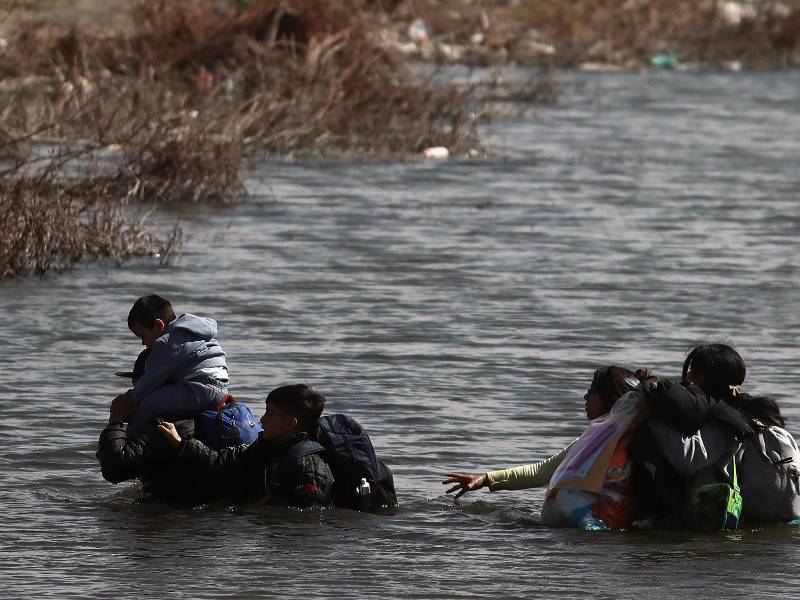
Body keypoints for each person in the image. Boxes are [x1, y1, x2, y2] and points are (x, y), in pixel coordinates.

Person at [444, 366, 653, 529]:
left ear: (611, 398)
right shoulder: (587, 444)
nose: (585, 397)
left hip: (599, 533)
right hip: (585, 532)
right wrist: (485, 479)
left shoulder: (635, 444)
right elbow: (543, 471)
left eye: (592, 391)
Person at [637, 343, 799, 526]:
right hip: (789, 515)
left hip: (753, 519)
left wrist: (653, 416)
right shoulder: (759, 414)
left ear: (699, 378)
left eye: (691, 373)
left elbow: (687, 458)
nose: (687, 379)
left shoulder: (725, 421)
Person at [158, 384, 334, 508]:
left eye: (269, 414)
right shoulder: (266, 447)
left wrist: (257, 508)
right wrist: (181, 443)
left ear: (290, 423)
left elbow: (308, 517)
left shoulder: (310, 465)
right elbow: (222, 462)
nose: (262, 419)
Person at [121, 294, 229, 435]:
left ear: (159, 325)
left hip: (199, 389)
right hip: (221, 389)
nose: (142, 343)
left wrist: (130, 400)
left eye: (143, 336)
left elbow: (151, 379)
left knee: (149, 403)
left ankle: (129, 438)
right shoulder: (196, 332)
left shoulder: (168, 342)